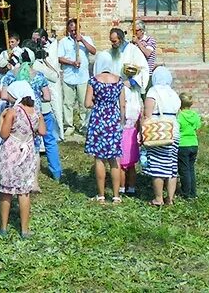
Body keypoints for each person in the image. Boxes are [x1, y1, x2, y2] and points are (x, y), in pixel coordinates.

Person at [0, 79, 45, 238]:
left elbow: (4, 134)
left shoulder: (12, 112)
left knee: (6, 192)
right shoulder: (35, 111)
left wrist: (2, 119)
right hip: (27, 153)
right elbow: (42, 131)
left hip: (11, 152)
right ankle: (25, 229)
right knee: (24, 192)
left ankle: (4, 227)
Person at [84, 51, 125, 204]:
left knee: (99, 158)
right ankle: (116, 196)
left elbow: (87, 103)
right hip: (113, 119)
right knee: (114, 159)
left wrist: (98, 103)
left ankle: (101, 195)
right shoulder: (119, 81)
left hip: (98, 119)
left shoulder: (94, 81)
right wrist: (120, 121)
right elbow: (122, 104)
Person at [142, 66, 182, 207]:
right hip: (174, 131)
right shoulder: (173, 93)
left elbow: (147, 115)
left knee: (157, 165)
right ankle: (170, 199)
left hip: (158, 131)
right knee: (172, 166)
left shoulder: (153, 91)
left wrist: (142, 133)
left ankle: (158, 198)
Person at [57, 18, 95, 137]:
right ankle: (69, 125)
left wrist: (82, 40)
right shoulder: (63, 42)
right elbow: (59, 57)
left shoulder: (86, 39)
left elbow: (93, 51)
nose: (73, 33)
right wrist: (71, 62)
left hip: (82, 77)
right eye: (71, 30)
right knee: (67, 103)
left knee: (84, 103)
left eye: (75, 30)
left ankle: (84, 125)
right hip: (69, 76)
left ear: (79, 28)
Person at [120, 74, 144, 196]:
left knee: (121, 165)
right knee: (131, 165)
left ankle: (122, 187)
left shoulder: (124, 106)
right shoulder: (137, 106)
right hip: (133, 135)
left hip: (123, 134)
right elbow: (140, 121)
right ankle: (132, 188)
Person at [177, 92, 201, 199]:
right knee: (191, 169)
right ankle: (193, 192)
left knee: (184, 170)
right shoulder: (195, 115)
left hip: (182, 145)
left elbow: (176, 129)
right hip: (194, 144)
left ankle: (186, 193)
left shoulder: (179, 116)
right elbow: (197, 127)